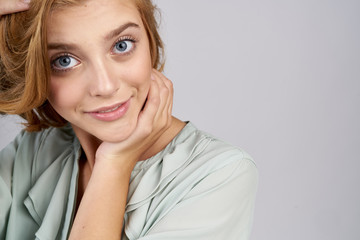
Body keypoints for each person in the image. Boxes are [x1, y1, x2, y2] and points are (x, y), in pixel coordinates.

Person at [0, 0, 258, 239]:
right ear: (33, 72)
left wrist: (114, 164)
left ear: (149, 38)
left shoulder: (216, 175)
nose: (106, 86)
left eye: (122, 45)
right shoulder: (33, 150)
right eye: (64, 61)